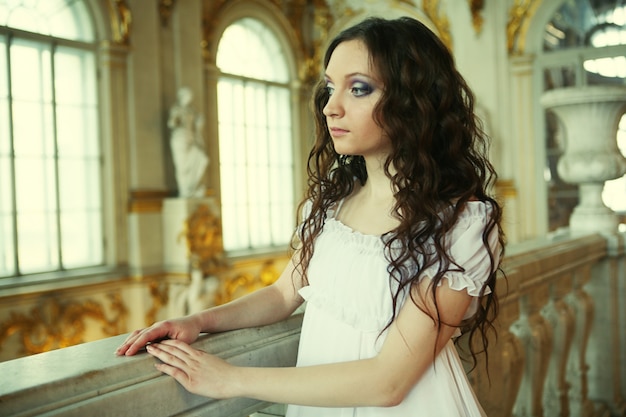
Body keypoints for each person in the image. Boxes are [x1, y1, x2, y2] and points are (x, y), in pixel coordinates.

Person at [116, 16, 505, 416]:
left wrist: (228, 379)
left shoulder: (459, 223)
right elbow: (283, 294)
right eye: (330, 87)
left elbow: (390, 381)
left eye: (358, 89)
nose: (331, 107)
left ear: (413, 101)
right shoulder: (332, 203)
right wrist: (199, 321)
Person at [168, 86, 209, 198]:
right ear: (182, 97)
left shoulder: (192, 110)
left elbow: (197, 126)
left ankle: (192, 188)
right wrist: (176, 120)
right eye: (187, 96)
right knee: (182, 167)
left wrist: (200, 122)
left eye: (190, 97)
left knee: (200, 157)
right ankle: (185, 191)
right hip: (179, 140)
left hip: (190, 139)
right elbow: (171, 124)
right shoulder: (176, 109)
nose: (189, 99)